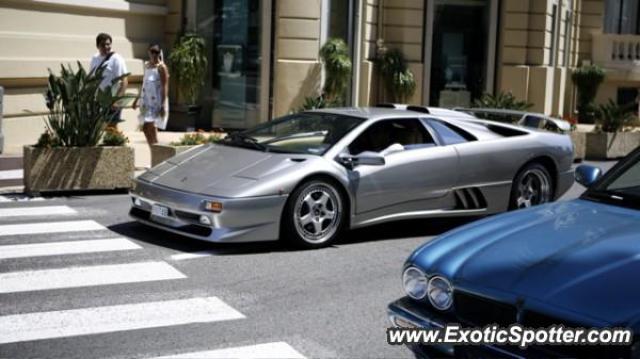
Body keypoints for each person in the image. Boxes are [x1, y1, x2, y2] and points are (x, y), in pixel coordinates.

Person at [132, 43, 169, 145]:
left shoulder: (162, 67)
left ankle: (155, 147)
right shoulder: (147, 65)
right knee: (145, 128)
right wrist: (136, 99)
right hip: (146, 101)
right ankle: (153, 146)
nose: (154, 54)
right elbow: (144, 84)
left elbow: (165, 86)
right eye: (152, 51)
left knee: (150, 126)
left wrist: (162, 105)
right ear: (149, 52)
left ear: (159, 53)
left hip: (156, 102)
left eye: (156, 52)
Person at [89, 33, 129, 127]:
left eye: (108, 44)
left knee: (112, 127)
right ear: (97, 46)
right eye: (103, 45)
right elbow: (91, 78)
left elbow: (124, 80)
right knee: (99, 128)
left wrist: (117, 100)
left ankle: (115, 141)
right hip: (99, 100)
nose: (106, 47)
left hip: (113, 99)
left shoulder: (116, 59)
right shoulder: (95, 58)